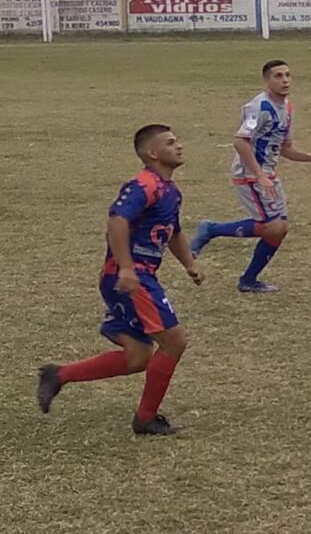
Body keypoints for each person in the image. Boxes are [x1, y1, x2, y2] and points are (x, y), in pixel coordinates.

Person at [37, 125, 204, 436]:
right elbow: (117, 220)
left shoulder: (170, 191)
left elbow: (174, 232)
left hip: (136, 275)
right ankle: (145, 419)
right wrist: (127, 269)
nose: (179, 146)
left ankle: (58, 375)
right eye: (170, 142)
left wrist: (190, 265)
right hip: (132, 276)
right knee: (174, 341)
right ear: (152, 153)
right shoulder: (143, 185)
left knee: (138, 356)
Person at [190, 60, 311, 293]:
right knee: (274, 226)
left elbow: (284, 147)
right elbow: (240, 140)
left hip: (267, 174)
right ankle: (217, 238)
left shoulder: (287, 108)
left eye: (287, 75)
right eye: (278, 76)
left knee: (278, 229)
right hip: (250, 175)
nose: (285, 80)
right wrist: (259, 174)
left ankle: (241, 268)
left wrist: (308, 157)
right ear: (267, 81)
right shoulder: (259, 107)